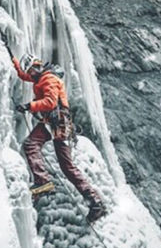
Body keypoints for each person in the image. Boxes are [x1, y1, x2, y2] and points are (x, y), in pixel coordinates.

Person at [12, 54, 107, 223]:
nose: (30, 75)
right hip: (57, 122)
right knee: (67, 166)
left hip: (56, 122)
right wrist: (14, 61)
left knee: (31, 144)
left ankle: (43, 182)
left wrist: (29, 106)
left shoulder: (49, 79)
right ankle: (95, 202)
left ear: (37, 67)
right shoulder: (40, 77)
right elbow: (24, 76)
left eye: (31, 71)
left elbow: (49, 102)